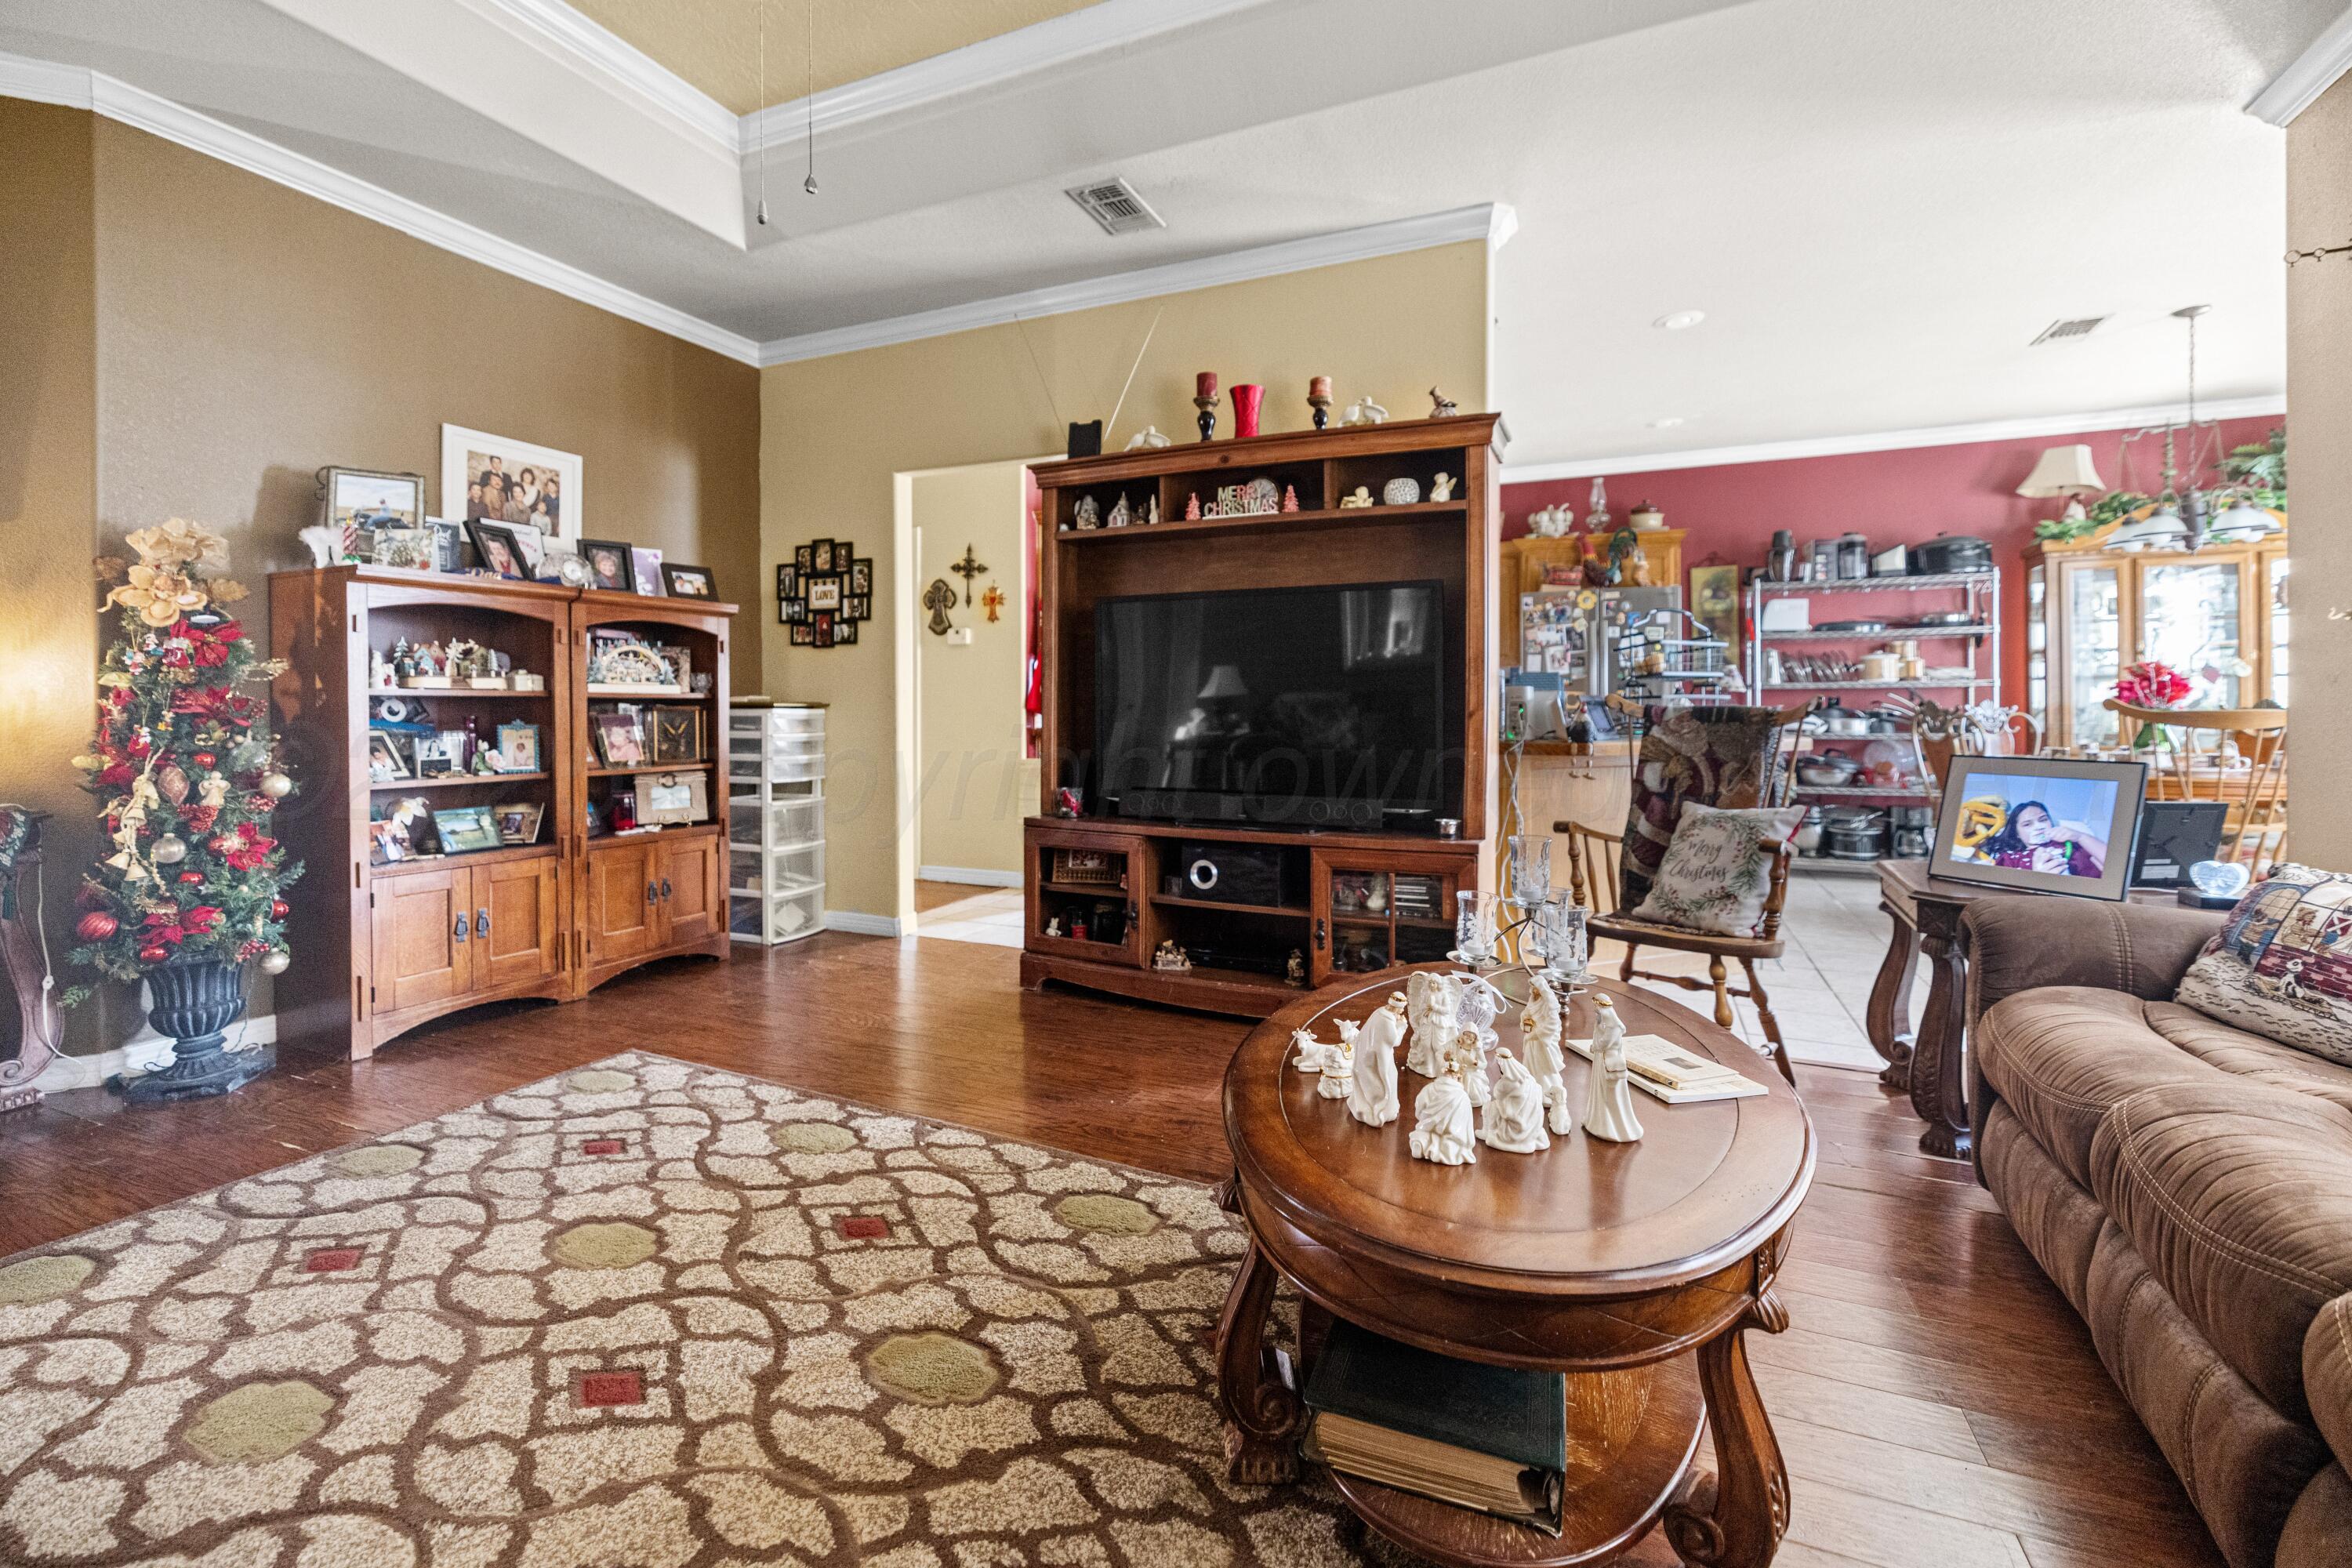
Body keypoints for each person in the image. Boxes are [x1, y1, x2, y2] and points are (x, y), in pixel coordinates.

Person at [1980, 800, 2106, 877]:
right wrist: (2036, 879)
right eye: (2027, 824)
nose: (2039, 827)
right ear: (2017, 833)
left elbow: (2114, 867)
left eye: (2043, 820)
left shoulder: (2074, 845)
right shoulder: (2011, 858)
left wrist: (2080, 836)